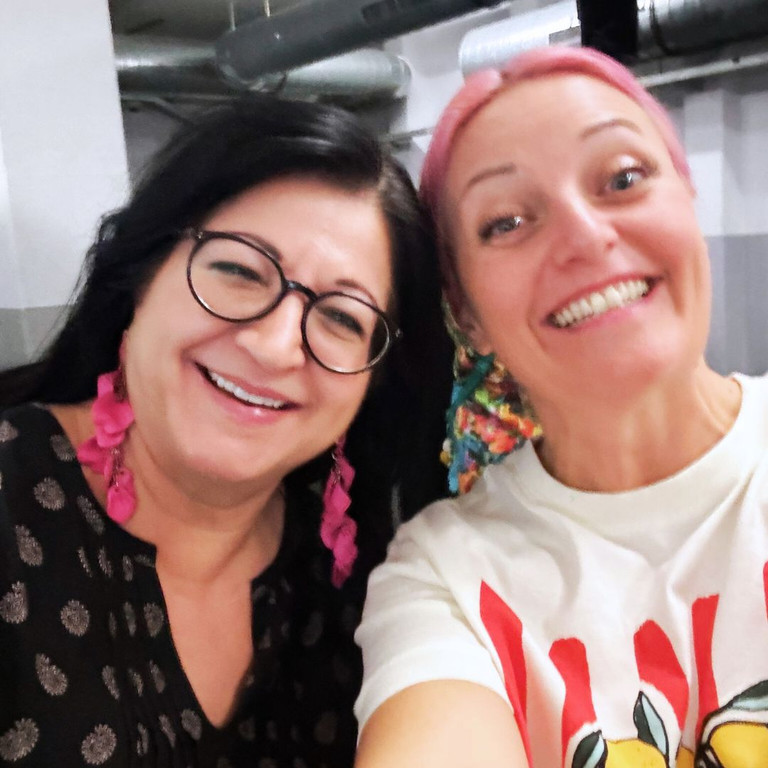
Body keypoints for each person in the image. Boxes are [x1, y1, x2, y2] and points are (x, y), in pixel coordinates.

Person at [0, 94, 452, 766]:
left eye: (342, 318)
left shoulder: (361, 591)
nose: (274, 346)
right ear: (143, 273)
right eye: (239, 271)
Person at [353, 45, 768, 768]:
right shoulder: (445, 579)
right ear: (465, 312)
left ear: (688, 198)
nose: (584, 235)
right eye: (506, 222)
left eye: (623, 178)